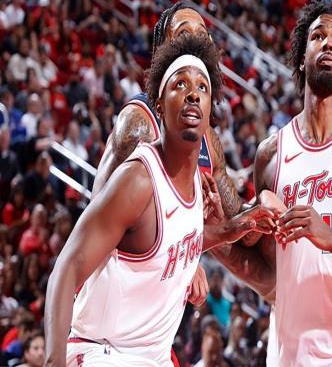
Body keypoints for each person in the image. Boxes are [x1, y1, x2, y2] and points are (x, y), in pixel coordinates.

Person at [44, 35, 262, 366]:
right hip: (104, 351)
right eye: (180, 84)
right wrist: (53, 362)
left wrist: (228, 231)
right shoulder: (139, 179)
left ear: (208, 114)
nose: (193, 93)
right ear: (159, 104)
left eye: (202, 87)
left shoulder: (195, 182)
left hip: (151, 357)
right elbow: (67, 268)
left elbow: (169, 242)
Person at [212, 0, 332, 365]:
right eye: (317, 36)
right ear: (302, 58)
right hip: (292, 354)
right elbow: (272, 279)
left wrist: (330, 238)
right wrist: (216, 238)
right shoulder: (271, 156)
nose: (328, 42)